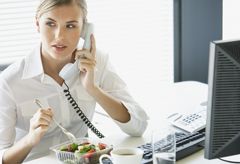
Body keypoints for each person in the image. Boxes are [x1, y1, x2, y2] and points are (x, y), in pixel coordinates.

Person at [0, 0, 149, 163]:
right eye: (50, 24)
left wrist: (93, 88)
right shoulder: (9, 81)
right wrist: (30, 139)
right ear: (37, 24)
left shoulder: (97, 61)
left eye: (70, 26)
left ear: (84, 29)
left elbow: (138, 127)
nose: (59, 36)